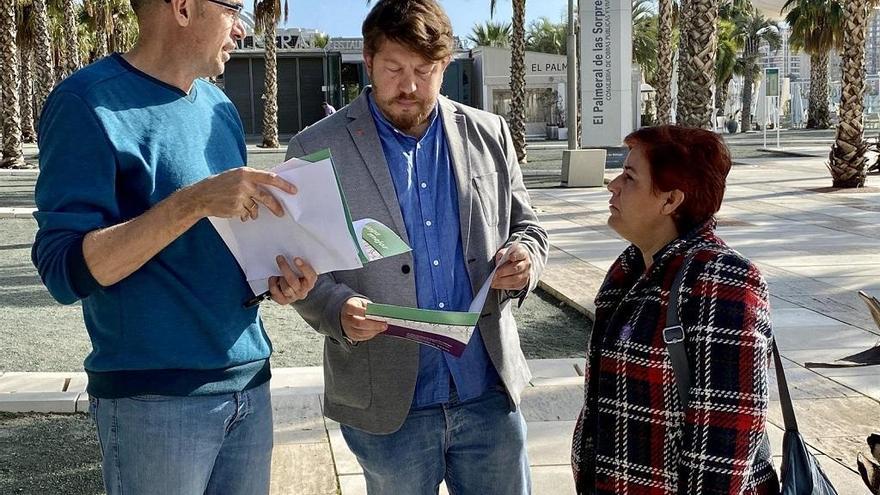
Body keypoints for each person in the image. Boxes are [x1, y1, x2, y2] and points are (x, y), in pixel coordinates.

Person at [30, 0, 318, 493]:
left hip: (251, 382)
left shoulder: (219, 109)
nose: (242, 29)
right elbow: (63, 270)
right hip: (153, 399)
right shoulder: (86, 103)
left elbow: (223, 244)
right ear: (183, 9)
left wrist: (277, 278)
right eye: (233, 10)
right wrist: (194, 201)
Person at [285, 1, 548, 493]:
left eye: (424, 71)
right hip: (387, 402)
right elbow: (298, 266)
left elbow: (528, 225)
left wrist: (526, 258)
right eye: (394, 69)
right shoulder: (315, 147)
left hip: (487, 391)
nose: (408, 86)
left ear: (445, 66)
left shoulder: (489, 133)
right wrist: (336, 309)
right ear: (368, 60)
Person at [571, 125, 779, 494]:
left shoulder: (722, 278)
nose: (612, 185)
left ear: (671, 201)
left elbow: (728, 434)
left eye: (630, 177)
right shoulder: (631, 269)